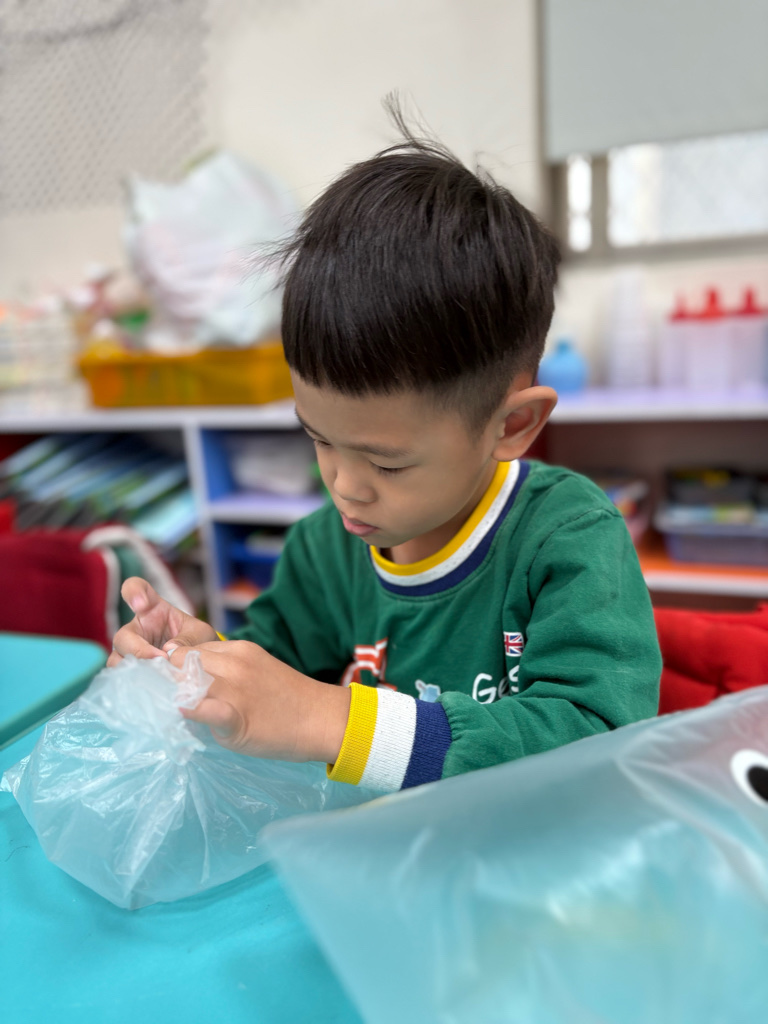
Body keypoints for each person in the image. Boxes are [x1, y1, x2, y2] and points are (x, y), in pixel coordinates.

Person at [110, 121, 661, 793]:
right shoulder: (324, 550)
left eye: (388, 463)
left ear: (511, 425)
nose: (344, 486)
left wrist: (331, 719)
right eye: (319, 438)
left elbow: (602, 738)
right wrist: (203, 667)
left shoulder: (565, 538)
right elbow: (275, 678)